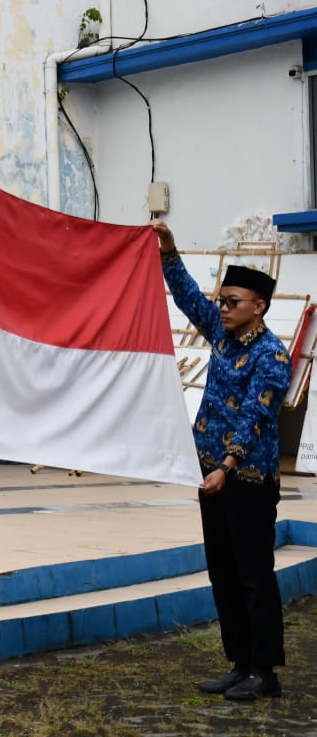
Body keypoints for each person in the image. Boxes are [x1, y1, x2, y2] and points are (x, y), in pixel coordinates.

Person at [154, 220, 291, 701]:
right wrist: (169, 250)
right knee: (223, 572)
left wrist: (226, 467)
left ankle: (265, 672)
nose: (223, 308)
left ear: (260, 306)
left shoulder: (272, 355)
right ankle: (239, 663)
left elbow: (256, 416)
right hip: (211, 476)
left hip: (246, 481)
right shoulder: (222, 334)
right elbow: (188, 296)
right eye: (223, 301)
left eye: (233, 302)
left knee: (254, 575)